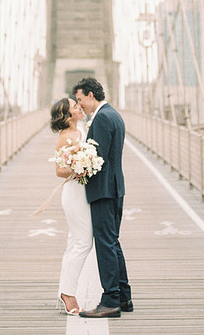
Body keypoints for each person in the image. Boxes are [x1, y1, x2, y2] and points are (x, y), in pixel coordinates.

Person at [73, 77, 132, 319]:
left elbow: (97, 158)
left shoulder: (103, 118)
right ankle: (123, 296)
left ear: (90, 95)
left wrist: (77, 165)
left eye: (80, 100)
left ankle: (110, 301)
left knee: (105, 244)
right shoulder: (112, 114)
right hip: (114, 187)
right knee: (113, 242)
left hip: (104, 190)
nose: (80, 105)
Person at [49, 96, 93, 316]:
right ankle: (68, 294)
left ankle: (64, 290)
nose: (80, 107)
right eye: (75, 106)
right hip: (75, 194)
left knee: (75, 241)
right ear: (67, 116)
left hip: (84, 192)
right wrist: (80, 168)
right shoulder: (65, 136)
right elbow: (59, 170)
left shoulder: (81, 129)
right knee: (83, 242)